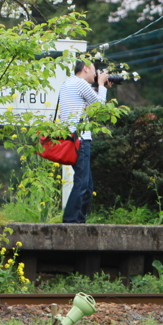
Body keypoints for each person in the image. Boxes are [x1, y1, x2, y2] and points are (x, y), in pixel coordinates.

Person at [59, 60, 109, 224]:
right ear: (86, 68)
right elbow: (99, 107)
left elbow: (86, 105)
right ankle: (71, 221)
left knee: (87, 184)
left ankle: (79, 220)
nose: (96, 74)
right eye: (94, 70)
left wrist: (101, 87)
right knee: (82, 183)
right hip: (80, 139)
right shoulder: (80, 83)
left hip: (74, 138)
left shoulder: (70, 82)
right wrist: (101, 84)